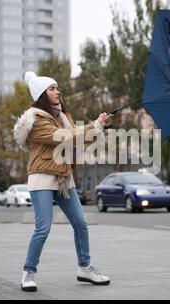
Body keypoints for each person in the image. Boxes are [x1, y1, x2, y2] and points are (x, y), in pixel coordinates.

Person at [13, 71, 111, 292]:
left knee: (80, 223)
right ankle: (29, 272)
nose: (58, 92)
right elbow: (63, 137)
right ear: (41, 94)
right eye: (52, 88)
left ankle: (84, 268)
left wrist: (99, 125)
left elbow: (76, 139)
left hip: (64, 177)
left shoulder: (61, 116)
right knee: (43, 228)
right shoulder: (36, 120)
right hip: (43, 177)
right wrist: (92, 126)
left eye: (57, 88)